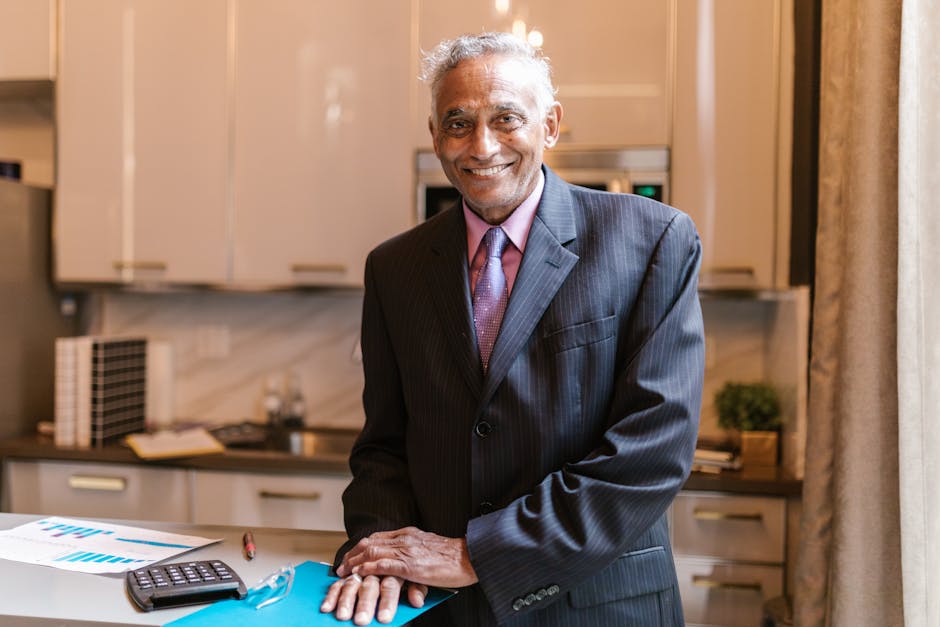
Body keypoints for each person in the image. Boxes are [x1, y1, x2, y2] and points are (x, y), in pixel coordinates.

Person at [319, 31, 704, 626]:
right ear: (434, 136)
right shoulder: (394, 268)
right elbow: (383, 449)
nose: (482, 145)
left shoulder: (653, 240)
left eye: (506, 118)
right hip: (439, 609)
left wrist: (478, 553)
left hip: (598, 607)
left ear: (549, 125)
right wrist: (383, 548)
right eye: (458, 123)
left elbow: (649, 454)